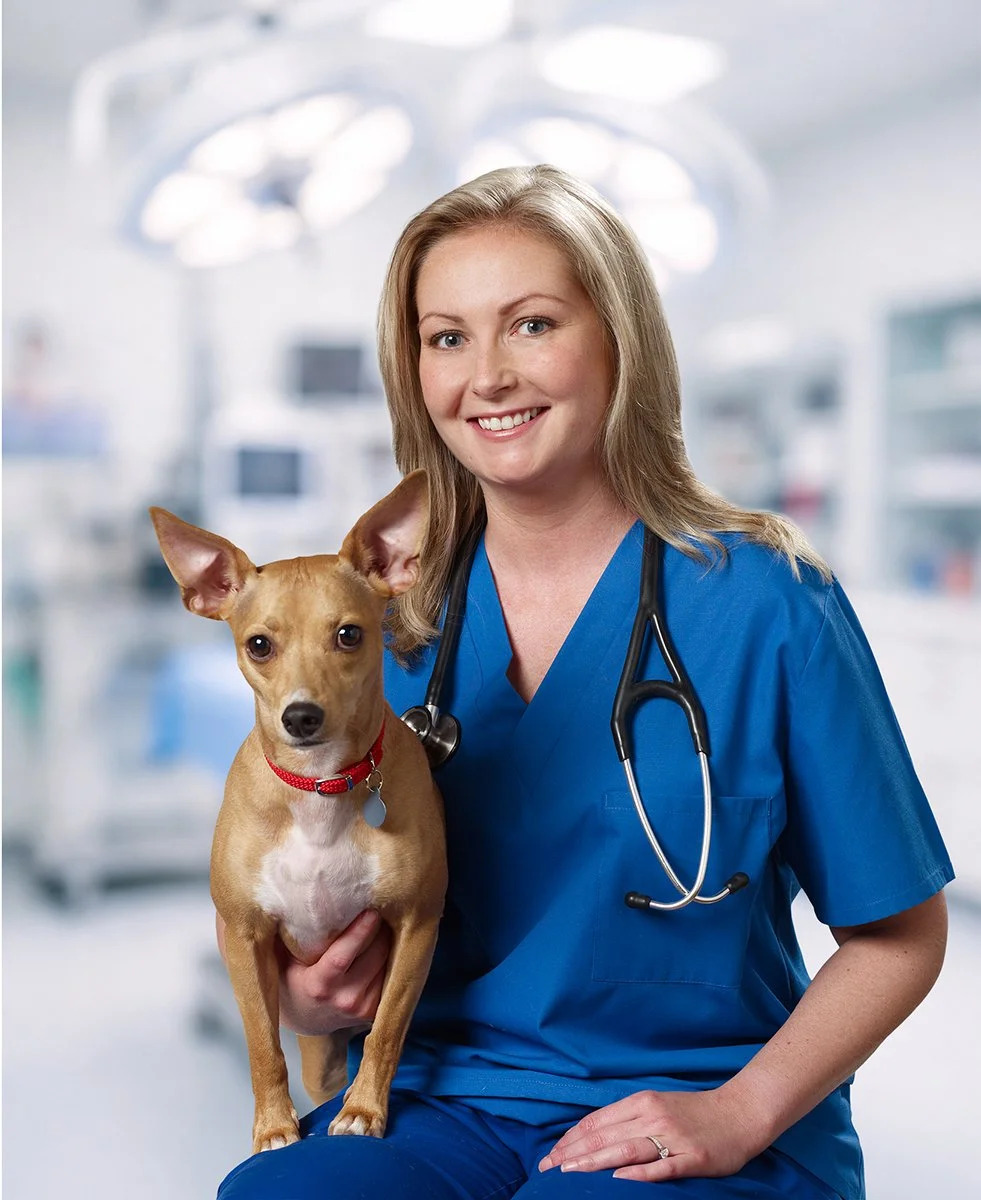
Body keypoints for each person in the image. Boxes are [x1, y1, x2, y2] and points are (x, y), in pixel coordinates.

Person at [217, 165, 953, 1199]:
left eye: (531, 324)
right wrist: (310, 998)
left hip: (698, 1096)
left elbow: (902, 935)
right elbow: (324, 908)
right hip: (447, 1096)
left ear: (620, 338)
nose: (487, 377)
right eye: (447, 338)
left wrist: (740, 1112)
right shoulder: (384, 626)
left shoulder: (766, 603)